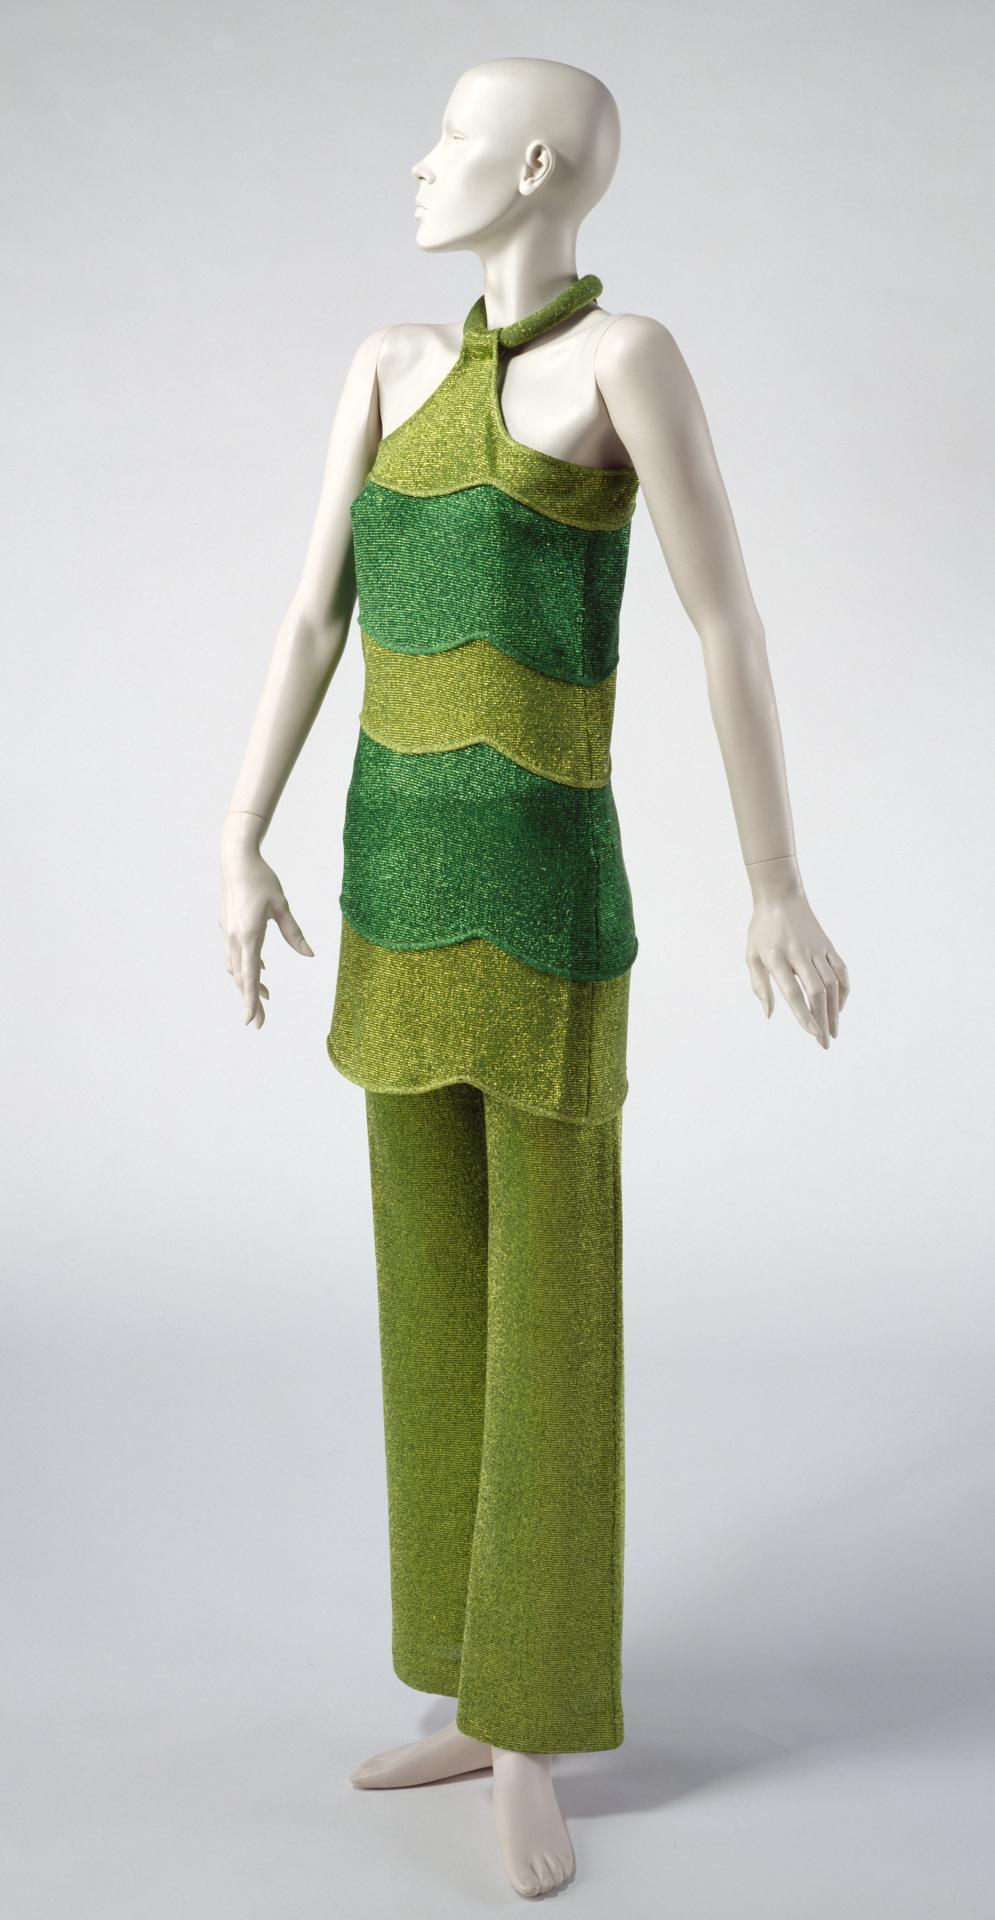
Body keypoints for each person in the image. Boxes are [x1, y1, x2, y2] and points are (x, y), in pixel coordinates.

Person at [218, 55, 849, 1903]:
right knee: (432, 1301)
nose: (422, 165)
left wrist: (776, 882)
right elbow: (313, 613)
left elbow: (727, 621)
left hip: (550, 900)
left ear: (543, 165)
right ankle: (467, 1680)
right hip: (394, 900)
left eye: (453, 140)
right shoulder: (382, 367)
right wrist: (237, 838)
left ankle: (538, 1720)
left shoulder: (624, 361)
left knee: (550, 1315)